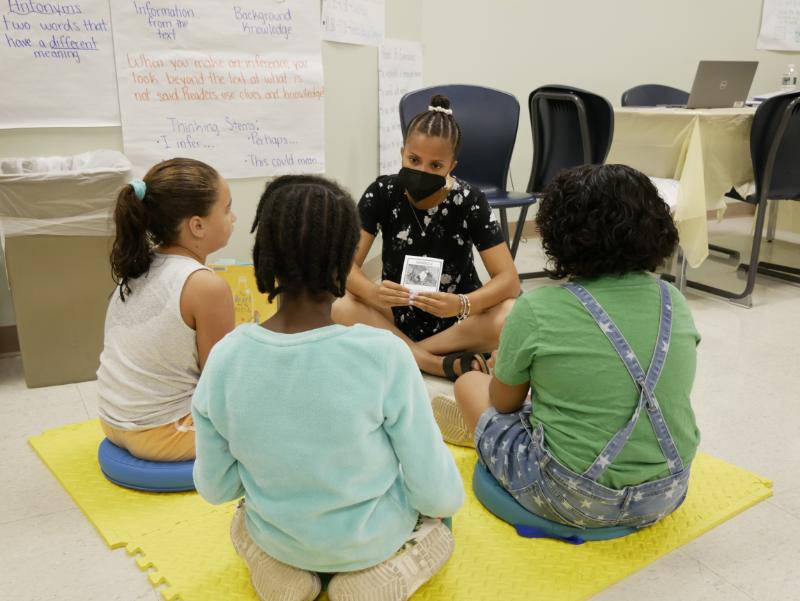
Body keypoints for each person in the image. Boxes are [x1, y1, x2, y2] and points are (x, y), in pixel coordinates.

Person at [192, 175, 464, 601]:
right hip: (371, 541)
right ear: (344, 265)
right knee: (442, 526)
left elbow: (216, 488)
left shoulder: (226, 358)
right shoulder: (385, 354)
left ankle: (283, 572)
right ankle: (366, 582)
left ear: (264, 258)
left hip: (280, 536)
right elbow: (435, 490)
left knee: (241, 520)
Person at [450, 164, 701, 529]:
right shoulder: (673, 299)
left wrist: (502, 364)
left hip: (570, 497)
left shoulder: (536, 308)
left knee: (470, 386)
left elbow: (505, 403)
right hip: (668, 491)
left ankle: (483, 440)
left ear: (559, 233)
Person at [332, 94, 520, 381]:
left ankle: (404, 353)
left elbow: (508, 280)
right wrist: (373, 294)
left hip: (458, 322)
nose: (422, 171)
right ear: (402, 153)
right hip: (393, 316)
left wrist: (462, 303)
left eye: (435, 166)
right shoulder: (382, 192)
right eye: (414, 160)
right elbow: (344, 265)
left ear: (451, 166)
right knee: (337, 304)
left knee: (512, 314)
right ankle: (434, 363)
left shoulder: (470, 200)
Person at [96, 158, 236, 461]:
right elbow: (219, 381)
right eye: (226, 209)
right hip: (163, 433)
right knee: (283, 412)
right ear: (197, 226)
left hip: (111, 420)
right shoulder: (206, 286)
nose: (233, 217)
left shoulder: (139, 264)